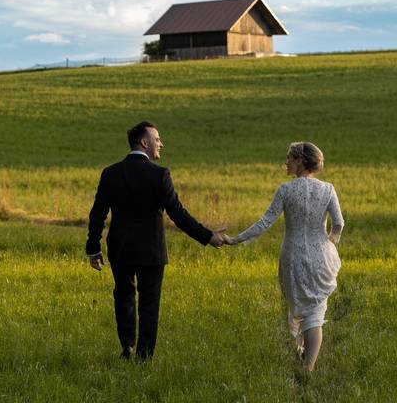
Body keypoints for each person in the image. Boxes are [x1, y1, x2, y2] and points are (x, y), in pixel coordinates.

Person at [86, 121, 228, 361]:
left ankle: (127, 347)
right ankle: (144, 356)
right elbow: (178, 214)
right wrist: (208, 236)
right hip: (151, 250)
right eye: (157, 138)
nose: (161, 143)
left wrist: (93, 247)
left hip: (120, 248)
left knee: (123, 296)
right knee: (149, 304)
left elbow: (98, 213)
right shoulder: (160, 175)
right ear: (144, 142)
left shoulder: (110, 173)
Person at [226, 142, 343, 372]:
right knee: (315, 312)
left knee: (295, 306)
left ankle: (300, 354)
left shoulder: (286, 190)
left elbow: (264, 223)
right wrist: (330, 241)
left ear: (300, 161)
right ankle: (308, 367)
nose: (286, 162)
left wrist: (236, 239)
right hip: (321, 254)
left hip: (292, 256)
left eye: (289, 158)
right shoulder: (328, 189)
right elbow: (339, 223)